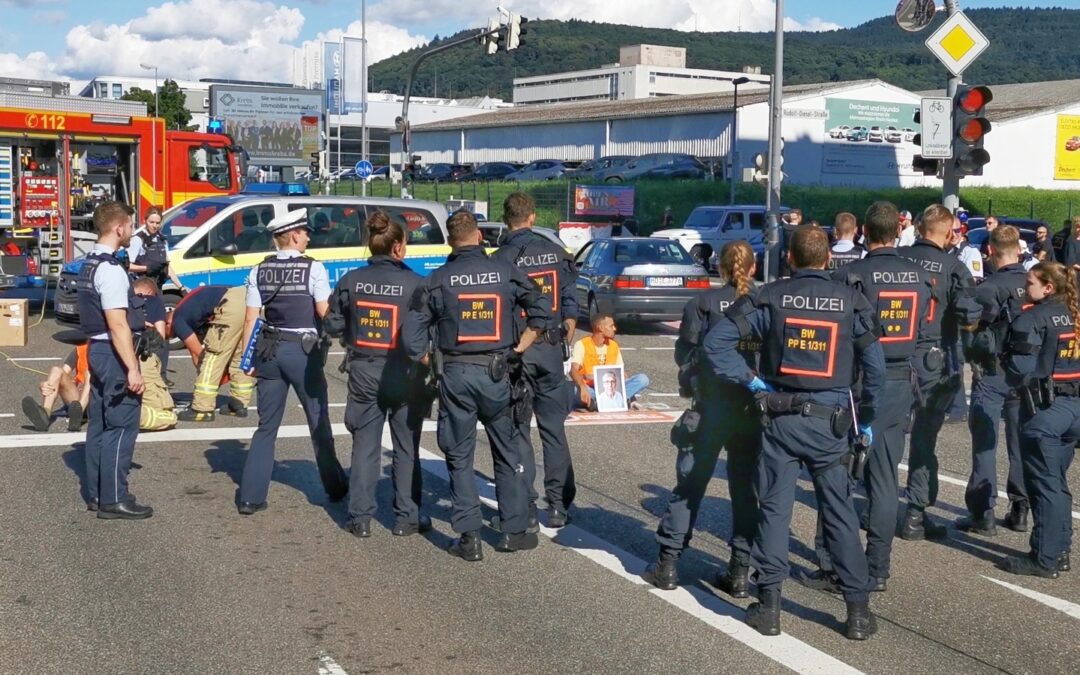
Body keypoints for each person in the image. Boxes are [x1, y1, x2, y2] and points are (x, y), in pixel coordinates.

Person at [705, 225, 885, 640]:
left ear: (790, 258)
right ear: (828, 260)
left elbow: (717, 344)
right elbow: (874, 370)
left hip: (780, 418)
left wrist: (751, 381)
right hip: (831, 422)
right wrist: (867, 418)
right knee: (838, 512)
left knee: (774, 509)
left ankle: (768, 607)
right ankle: (857, 612)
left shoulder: (770, 297)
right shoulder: (851, 301)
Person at [799, 201, 934, 594]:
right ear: (898, 232)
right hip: (899, 380)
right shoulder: (919, 276)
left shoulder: (852, 275)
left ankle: (832, 564)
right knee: (885, 478)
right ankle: (878, 569)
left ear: (864, 233)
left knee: (835, 472)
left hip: (856, 382)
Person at [402, 210, 551, 561]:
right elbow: (542, 311)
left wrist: (434, 363)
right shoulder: (505, 272)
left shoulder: (437, 280)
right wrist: (517, 350)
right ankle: (514, 531)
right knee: (507, 448)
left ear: (450, 240)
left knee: (459, 454)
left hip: (455, 374)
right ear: (479, 237)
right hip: (499, 371)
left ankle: (469, 536)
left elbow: (412, 340)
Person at [646, 240, 761, 598]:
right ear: (753, 269)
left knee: (690, 484)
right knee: (746, 493)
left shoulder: (703, 303)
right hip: (750, 410)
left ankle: (668, 563)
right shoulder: (765, 302)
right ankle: (740, 572)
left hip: (709, 407)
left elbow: (685, 353)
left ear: (721, 268)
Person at [236, 209, 348, 515]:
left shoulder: (258, 270)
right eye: (305, 232)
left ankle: (250, 496)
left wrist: (248, 359)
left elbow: (250, 319)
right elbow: (324, 311)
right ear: (295, 235)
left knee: (266, 427)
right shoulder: (314, 269)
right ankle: (335, 486)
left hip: (269, 350)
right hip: (303, 352)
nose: (309, 236)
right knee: (317, 420)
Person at [325, 210, 429, 538]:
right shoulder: (415, 283)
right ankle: (407, 517)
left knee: (365, 445)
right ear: (397, 246)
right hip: (404, 373)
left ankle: (360, 517)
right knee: (405, 445)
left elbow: (332, 323)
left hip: (364, 369)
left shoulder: (351, 280)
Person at [491, 192, 578, 529]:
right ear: (532, 217)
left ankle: (526, 503)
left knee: (518, 430)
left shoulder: (499, 258)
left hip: (519, 351)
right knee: (553, 430)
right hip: (551, 349)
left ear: (505, 219)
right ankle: (557, 505)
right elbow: (571, 303)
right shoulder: (556, 253)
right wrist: (563, 336)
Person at [900, 205, 981, 540]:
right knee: (923, 438)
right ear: (949, 233)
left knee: (884, 434)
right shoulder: (954, 267)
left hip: (894, 355)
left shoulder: (898, 258)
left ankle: (874, 507)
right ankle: (915, 515)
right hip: (934, 358)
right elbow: (969, 314)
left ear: (919, 227)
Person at [1002, 261, 1077, 578]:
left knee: (1044, 486)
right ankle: (1060, 550)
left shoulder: (1033, 318)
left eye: (1030, 282)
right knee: (1056, 484)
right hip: (1074, 408)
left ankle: (1045, 558)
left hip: (1045, 411)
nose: (1024, 287)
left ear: (1048, 287)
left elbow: (1020, 370)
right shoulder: (1074, 313)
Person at [77, 201, 151, 519]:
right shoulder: (110, 270)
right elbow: (118, 324)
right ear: (119, 228)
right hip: (113, 352)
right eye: (131, 226)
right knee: (122, 425)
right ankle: (115, 498)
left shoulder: (88, 263)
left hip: (96, 349)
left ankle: (97, 492)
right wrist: (133, 369)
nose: (132, 231)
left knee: (100, 425)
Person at [960, 225, 1031, 535]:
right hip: (1025, 373)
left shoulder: (988, 288)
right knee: (1021, 444)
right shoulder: (1033, 285)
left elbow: (971, 330)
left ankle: (983, 513)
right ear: (1018, 250)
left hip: (992, 372)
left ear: (989, 251)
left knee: (985, 444)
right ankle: (1020, 509)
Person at [172, 285, 255, 421]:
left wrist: (211, 377)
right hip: (247, 299)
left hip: (230, 303)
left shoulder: (177, 321)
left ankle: (202, 409)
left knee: (213, 355)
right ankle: (238, 404)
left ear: (167, 323)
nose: (170, 337)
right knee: (240, 354)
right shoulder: (188, 309)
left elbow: (199, 353)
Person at [570, 313, 650, 409]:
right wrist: (583, 385)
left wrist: (632, 397)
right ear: (600, 327)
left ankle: (598, 403)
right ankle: (611, 401)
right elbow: (573, 370)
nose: (615, 329)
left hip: (613, 389)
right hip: (590, 388)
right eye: (611, 326)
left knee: (642, 379)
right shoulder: (582, 344)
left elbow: (622, 374)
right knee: (572, 389)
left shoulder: (613, 345)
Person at [131, 277, 178, 432]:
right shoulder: (155, 301)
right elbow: (160, 333)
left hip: (122, 352)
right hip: (145, 354)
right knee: (167, 415)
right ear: (151, 291)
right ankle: (133, 417)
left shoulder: (125, 300)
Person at [21, 342, 91, 433]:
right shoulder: (81, 348)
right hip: (76, 399)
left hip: (96, 398)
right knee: (56, 370)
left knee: (91, 372)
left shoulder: (110, 350)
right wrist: (43, 384)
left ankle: (79, 414)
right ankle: (45, 414)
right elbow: (63, 373)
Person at [127, 206, 187, 292]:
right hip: (141, 290)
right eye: (151, 222)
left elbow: (167, 268)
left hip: (157, 288)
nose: (154, 226)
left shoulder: (162, 240)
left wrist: (181, 288)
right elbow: (128, 266)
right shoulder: (138, 239)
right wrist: (147, 268)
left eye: (157, 223)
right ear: (145, 221)